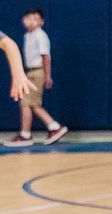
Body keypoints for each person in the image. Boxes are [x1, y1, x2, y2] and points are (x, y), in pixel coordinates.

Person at [7, 8, 68, 146]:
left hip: (37, 72)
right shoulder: (28, 35)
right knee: (30, 103)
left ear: (42, 22)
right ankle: (42, 130)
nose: (31, 21)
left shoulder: (40, 36)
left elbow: (45, 56)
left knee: (28, 103)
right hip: (29, 72)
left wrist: (47, 75)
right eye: (28, 18)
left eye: (35, 19)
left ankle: (44, 129)